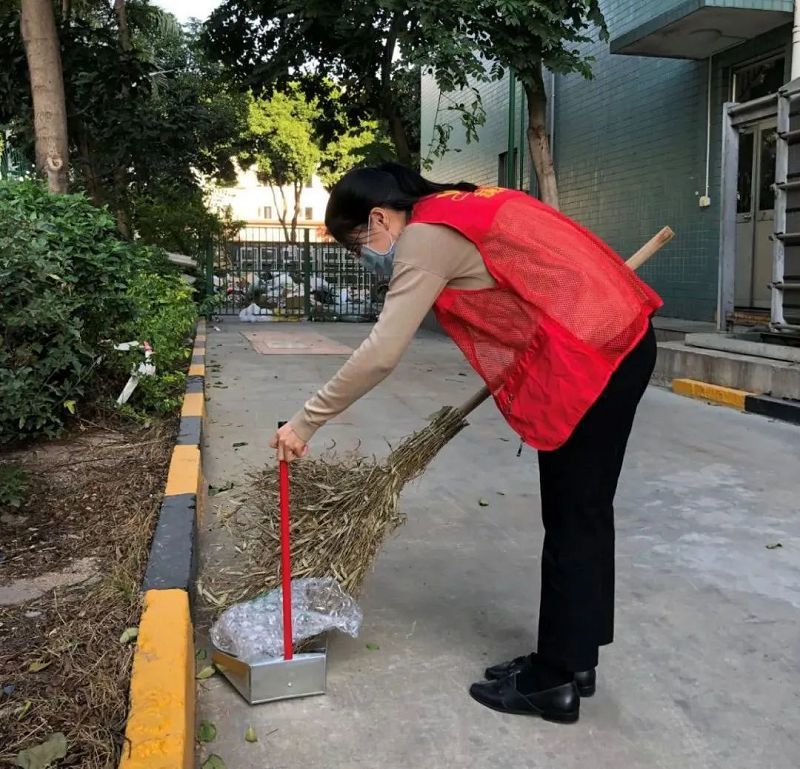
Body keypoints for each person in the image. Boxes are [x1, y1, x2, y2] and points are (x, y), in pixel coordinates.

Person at [269, 163, 662, 723]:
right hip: (616, 340)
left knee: (574, 517)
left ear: (378, 218)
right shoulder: (461, 204)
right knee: (585, 512)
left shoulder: (424, 237)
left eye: (359, 245)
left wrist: (306, 421)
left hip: (595, 358)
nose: (366, 258)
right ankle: (574, 659)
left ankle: (552, 682)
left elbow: (382, 351)